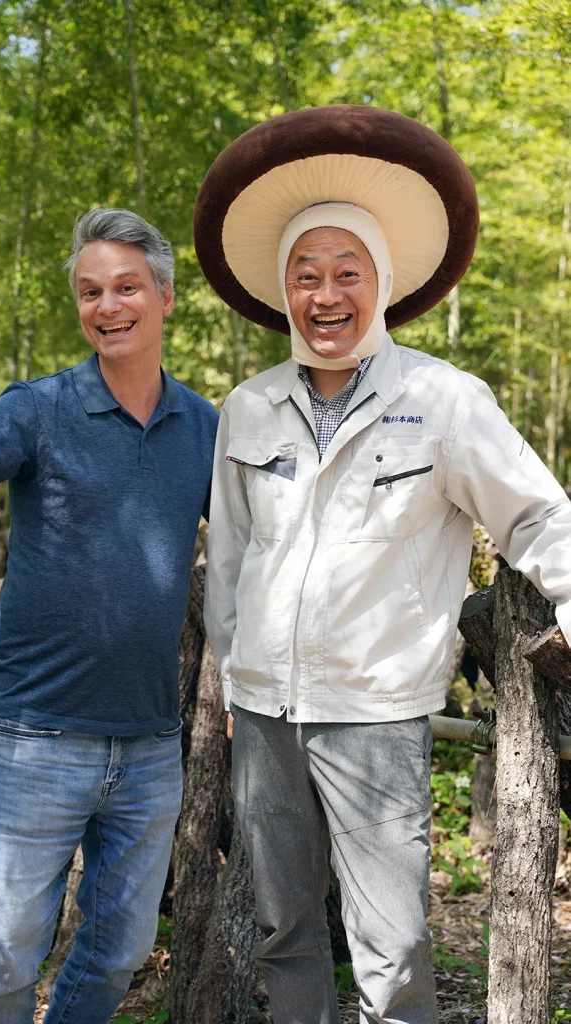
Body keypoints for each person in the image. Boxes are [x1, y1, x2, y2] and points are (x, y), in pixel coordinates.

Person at [195, 105, 571, 1024]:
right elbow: (235, 553)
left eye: (346, 273)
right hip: (265, 713)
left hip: (376, 710)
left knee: (393, 944)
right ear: (284, 291)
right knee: (285, 929)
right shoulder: (247, 408)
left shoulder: (443, 399)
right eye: (305, 276)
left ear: (383, 281)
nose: (325, 296)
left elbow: (538, 514)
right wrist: (232, 680)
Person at [0, 208, 218, 1024]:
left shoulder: (207, 427)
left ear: (166, 297)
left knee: (119, 954)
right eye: (89, 291)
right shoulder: (38, 409)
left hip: (149, 746)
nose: (107, 306)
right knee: (3, 966)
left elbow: (268, 550)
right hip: (38, 740)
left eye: (126, 287)